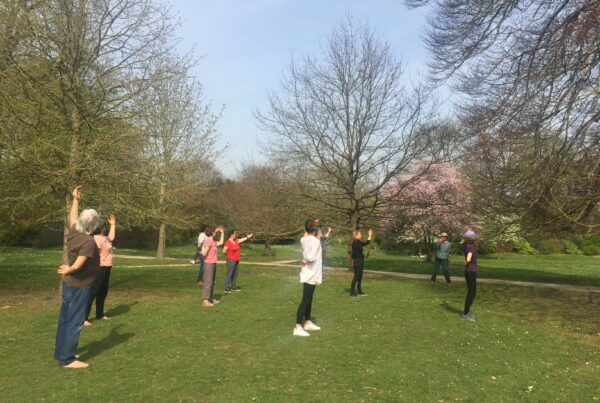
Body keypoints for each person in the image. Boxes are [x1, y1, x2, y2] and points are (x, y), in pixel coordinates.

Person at [55, 186, 100, 369]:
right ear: (94, 225)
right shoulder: (88, 241)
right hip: (79, 287)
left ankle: (63, 352)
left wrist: (75, 199)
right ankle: (68, 359)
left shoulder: (74, 231)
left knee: (65, 319)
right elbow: (79, 264)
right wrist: (69, 269)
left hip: (69, 286)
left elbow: (72, 218)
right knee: (74, 322)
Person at [84, 214, 116, 326]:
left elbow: (112, 237)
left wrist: (113, 224)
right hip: (99, 268)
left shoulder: (105, 238)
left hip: (107, 267)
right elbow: (93, 253)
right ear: (100, 228)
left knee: (103, 291)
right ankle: (84, 318)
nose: (105, 228)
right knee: (93, 292)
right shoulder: (97, 238)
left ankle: (99, 314)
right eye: (104, 226)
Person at [293, 218, 323, 336]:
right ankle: (297, 327)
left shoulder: (303, 239)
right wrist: (306, 261)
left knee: (309, 299)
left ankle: (308, 322)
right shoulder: (315, 241)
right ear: (314, 229)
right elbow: (312, 257)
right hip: (311, 274)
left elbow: (306, 235)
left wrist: (313, 224)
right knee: (305, 300)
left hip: (310, 273)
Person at [201, 225, 224, 307]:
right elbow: (204, 253)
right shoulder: (208, 241)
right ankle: (205, 300)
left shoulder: (213, 241)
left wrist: (222, 232)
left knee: (212, 281)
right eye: (214, 231)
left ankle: (210, 298)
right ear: (211, 232)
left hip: (213, 263)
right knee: (208, 281)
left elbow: (221, 242)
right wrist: (205, 255)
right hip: (209, 264)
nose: (215, 233)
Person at [350, 228, 372, 297]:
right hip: (357, 261)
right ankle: (352, 292)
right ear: (356, 236)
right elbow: (353, 254)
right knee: (356, 277)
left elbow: (367, 243)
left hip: (360, 261)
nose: (361, 235)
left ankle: (359, 291)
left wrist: (370, 235)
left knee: (360, 277)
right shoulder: (354, 243)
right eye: (359, 234)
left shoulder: (359, 242)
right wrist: (353, 261)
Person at [461, 230, 478, 321]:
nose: (475, 237)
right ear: (471, 238)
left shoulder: (468, 246)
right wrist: (467, 262)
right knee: (471, 293)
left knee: (472, 293)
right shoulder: (471, 247)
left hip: (469, 271)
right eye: (474, 236)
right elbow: (468, 259)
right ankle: (465, 314)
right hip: (470, 272)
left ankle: (466, 312)